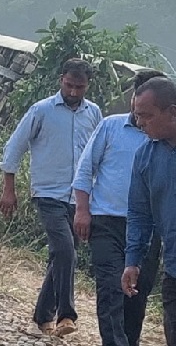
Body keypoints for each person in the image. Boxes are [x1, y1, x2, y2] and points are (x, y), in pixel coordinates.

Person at [0, 58, 102, 337]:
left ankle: (42, 315)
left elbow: (99, 155)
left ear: (87, 86)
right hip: (47, 193)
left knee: (62, 254)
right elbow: (14, 147)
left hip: (80, 198)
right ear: (61, 80)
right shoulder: (42, 110)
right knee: (65, 250)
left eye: (79, 87)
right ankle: (66, 315)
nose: (73, 92)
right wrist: (9, 189)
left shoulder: (94, 114)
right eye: (69, 85)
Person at [74, 69, 166, 346]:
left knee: (136, 296)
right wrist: (82, 210)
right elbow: (85, 169)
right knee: (111, 287)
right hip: (107, 222)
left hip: (149, 229)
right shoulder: (111, 126)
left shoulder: (162, 137)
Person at [124, 76, 176, 345]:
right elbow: (139, 213)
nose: (139, 123)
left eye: (147, 115)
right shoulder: (145, 157)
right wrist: (132, 260)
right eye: (136, 115)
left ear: (172, 112)